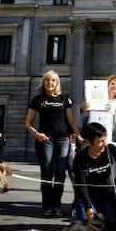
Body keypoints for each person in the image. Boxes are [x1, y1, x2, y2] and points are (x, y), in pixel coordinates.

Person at [25, 70, 84, 217]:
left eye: (53, 81)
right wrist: (37, 134)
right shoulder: (38, 100)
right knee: (47, 172)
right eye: (47, 80)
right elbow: (28, 123)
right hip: (46, 139)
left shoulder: (65, 99)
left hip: (63, 138)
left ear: (57, 83)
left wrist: (78, 135)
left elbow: (71, 119)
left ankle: (56, 206)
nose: (50, 83)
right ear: (43, 82)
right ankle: (47, 206)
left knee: (60, 173)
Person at [81, 75, 116, 146]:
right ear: (107, 86)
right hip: (92, 132)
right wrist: (84, 108)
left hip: (109, 133)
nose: (115, 86)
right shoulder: (95, 98)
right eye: (112, 83)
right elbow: (84, 115)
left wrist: (113, 113)